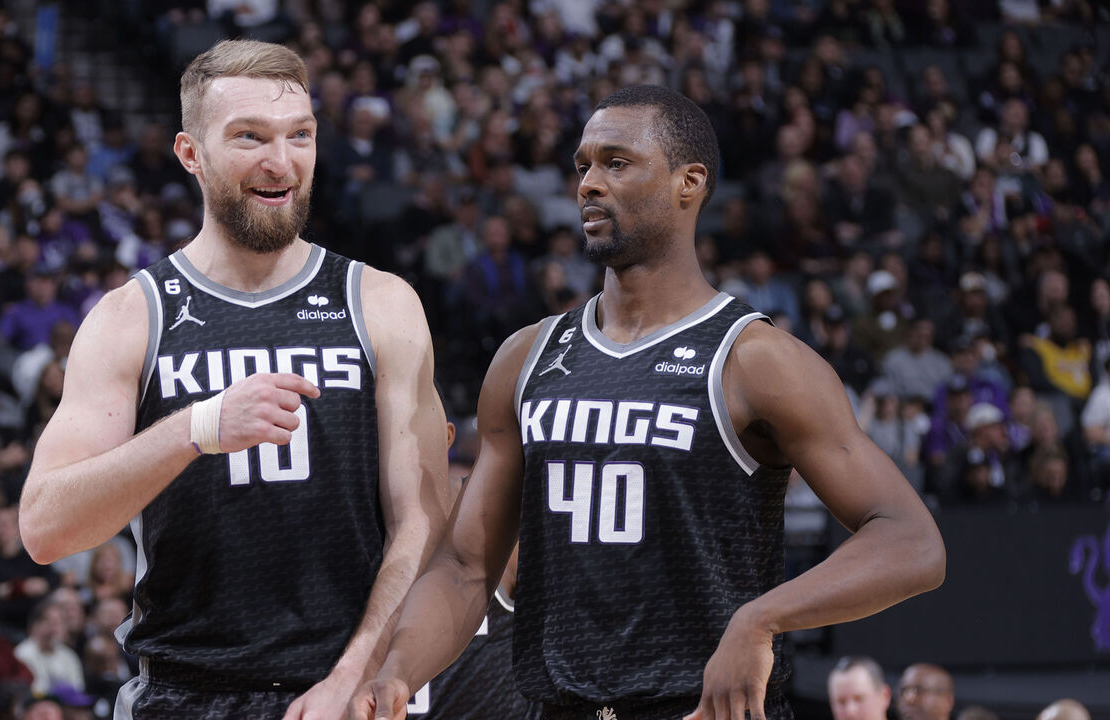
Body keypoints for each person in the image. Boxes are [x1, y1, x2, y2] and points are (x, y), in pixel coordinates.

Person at [350, 85, 944, 720]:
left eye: (617, 162)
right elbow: (468, 567)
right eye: (583, 166)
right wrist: (396, 676)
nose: (588, 184)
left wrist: (763, 618)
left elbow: (912, 541)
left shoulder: (756, 359)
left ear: (689, 182)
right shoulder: (527, 358)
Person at [18, 40, 449, 720]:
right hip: (184, 691)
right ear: (191, 154)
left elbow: (423, 524)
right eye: (250, 137)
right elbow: (46, 527)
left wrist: (353, 676)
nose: (281, 163)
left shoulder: (381, 303)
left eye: (299, 136)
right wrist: (195, 428)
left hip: (345, 692)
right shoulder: (131, 317)